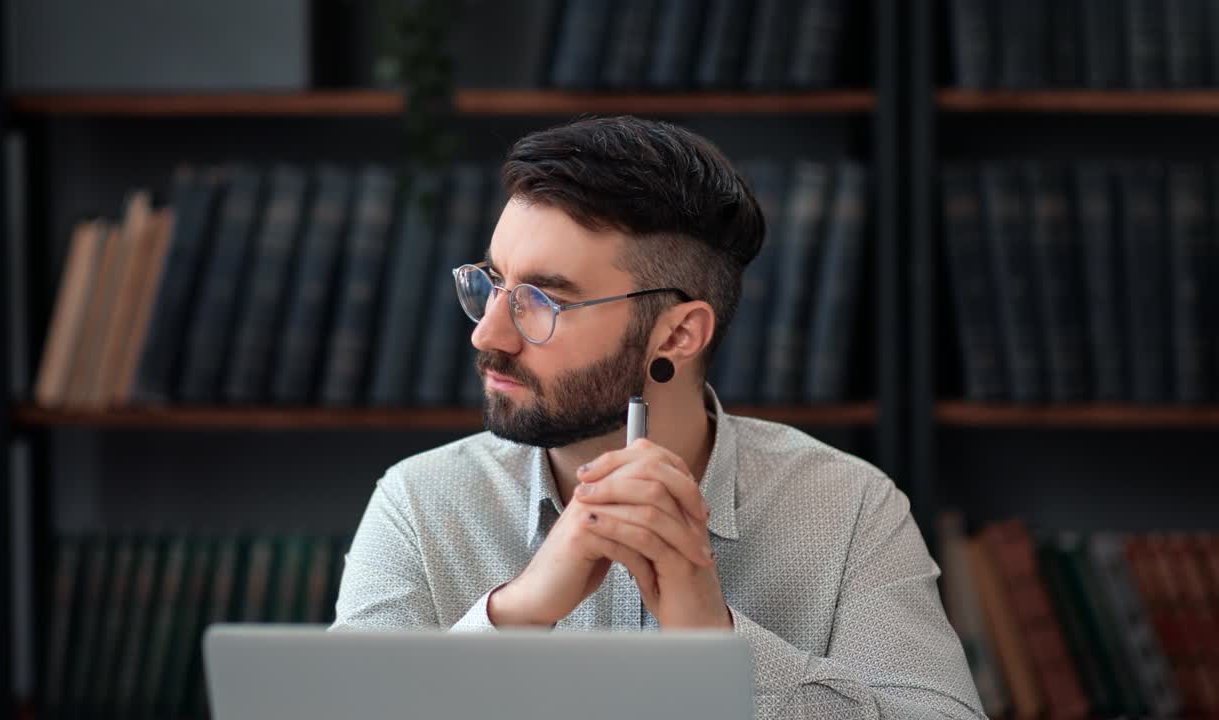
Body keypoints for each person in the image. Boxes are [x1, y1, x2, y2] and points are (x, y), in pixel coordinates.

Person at [331, 116, 985, 719]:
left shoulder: (848, 510)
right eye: (493, 284)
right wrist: (514, 617)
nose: (489, 334)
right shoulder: (421, 502)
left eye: (541, 299)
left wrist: (714, 641)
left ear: (677, 335)